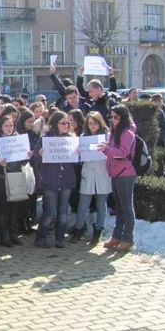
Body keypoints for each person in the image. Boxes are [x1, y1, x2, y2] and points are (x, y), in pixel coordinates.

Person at [34, 111, 77, 248]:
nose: (66, 125)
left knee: (63, 212)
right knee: (50, 211)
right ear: (55, 123)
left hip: (66, 180)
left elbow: (76, 162)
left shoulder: (71, 138)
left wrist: (78, 154)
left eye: (67, 123)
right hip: (50, 180)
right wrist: (40, 154)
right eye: (63, 123)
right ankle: (41, 238)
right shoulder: (45, 138)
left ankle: (60, 239)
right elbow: (35, 156)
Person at [98, 105, 136, 253]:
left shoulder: (127, 133)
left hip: (126, 173)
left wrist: (107, 150)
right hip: (116, 172)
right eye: (111, 117)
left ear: (123, 118)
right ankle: (116, 236)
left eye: (116, 117)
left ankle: (128, 238)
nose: (113, 120)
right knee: (119, 207)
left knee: (126, 207)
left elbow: (123, 153)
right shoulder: (114, 133)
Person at [70, 112, 112, 245]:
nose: (93, 126)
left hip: (102, 172)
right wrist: (77, 152)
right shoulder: (83, 137)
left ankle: (98, 231)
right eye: (90, 123)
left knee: (101, 204)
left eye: (95, 123)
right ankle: (78, 229)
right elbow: (79, 155)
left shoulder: (107, 137)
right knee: (83, 203)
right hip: (88, 172)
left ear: (100, 123)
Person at [0, 114, 29, 247]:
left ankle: (13, 235)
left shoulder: (18, 140)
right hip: (2, 179)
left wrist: (27, 156)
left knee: (15, 208)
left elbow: (24, 161)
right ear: (1, 127)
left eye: (11, 125)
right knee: (3, 209)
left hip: (16, 177)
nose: (9, 128)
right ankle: (4, 237)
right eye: (6, 126)